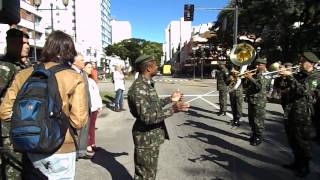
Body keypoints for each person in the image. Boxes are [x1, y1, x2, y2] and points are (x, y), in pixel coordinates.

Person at [0, 30, 88, 179]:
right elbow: (78, 121)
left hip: (29, 146)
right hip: (62, 148)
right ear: (69, 51)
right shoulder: (74, 77)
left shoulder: (23, 74)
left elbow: (5, 112)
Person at [127, 54, 190, 180]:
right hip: (145, 139)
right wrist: (173, 109)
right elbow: (147, 117)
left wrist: (170, 99)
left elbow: (152, 106)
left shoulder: (146, 84)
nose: (157, 67)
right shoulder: (139, 88)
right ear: (149, 68)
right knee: (144, 175)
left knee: (150, 173)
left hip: (151, 138)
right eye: (155, 65)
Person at [281, 52, 320, 177]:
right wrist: (283, 77)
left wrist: (290, 76)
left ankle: (305, 167)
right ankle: (297, 162)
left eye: (303, 61)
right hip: (291, 111)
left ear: (311, 63)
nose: (300, 63)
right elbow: (283, 88)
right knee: (292, 139)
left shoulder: (316, 76)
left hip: (303, 114)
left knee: (302, 141)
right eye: (301, 60)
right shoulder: (299, 75)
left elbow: (303, 91)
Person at [0, 28, 30, 180]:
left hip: (23, 127)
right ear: (10, 44)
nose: (26, 46)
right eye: (22, 43)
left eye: (27, 42)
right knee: (13, 173)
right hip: (8, 131)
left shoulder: (22, 66)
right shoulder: (5, 67)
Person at [243, 57, 271, 146]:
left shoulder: (266, 74)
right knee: (251, 119)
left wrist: (250, 78)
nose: (257, 66)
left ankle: (258, 136)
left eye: (259, 65)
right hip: (252, 99)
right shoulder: (256, 74)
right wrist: (246, 78)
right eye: (256, 64)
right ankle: (254, 134)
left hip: (259, 101)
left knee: (258, 120)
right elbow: (248, 86)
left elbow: (260, 87)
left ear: (264, 65)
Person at [72, 54, 92, 160]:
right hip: (76, 106)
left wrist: (90, 104)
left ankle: (82, 151)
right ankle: (73, 152)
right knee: (75, 130)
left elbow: (87, 91)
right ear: (75, 62)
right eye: (82, 60)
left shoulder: (83, 73)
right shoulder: (71, 72)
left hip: (86, 105)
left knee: (85, 129)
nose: (84, 62)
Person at [83, 62, 103, 153]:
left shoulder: (91, 80)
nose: (90, 69)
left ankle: (92, 143)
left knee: (92, 126)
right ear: (83, 68)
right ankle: (87, 144)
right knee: (87, 127)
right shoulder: (83, 79)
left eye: (91, 67)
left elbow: (96, 94)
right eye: (88, 67)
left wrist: (99, 105)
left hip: (94, 107)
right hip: (88, 107)